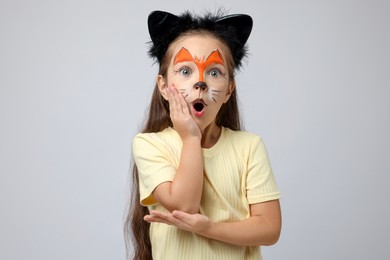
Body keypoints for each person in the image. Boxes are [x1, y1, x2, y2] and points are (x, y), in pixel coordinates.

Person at [124, 9, 282, 260]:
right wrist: (191, 138)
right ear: (164, 86)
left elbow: (270, 228)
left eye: (214, 72)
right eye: (185, 71)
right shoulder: (150, 144)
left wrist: (208, 228)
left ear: (229, 89)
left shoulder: (249, 146)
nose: (201, 82)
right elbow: (185, 206)